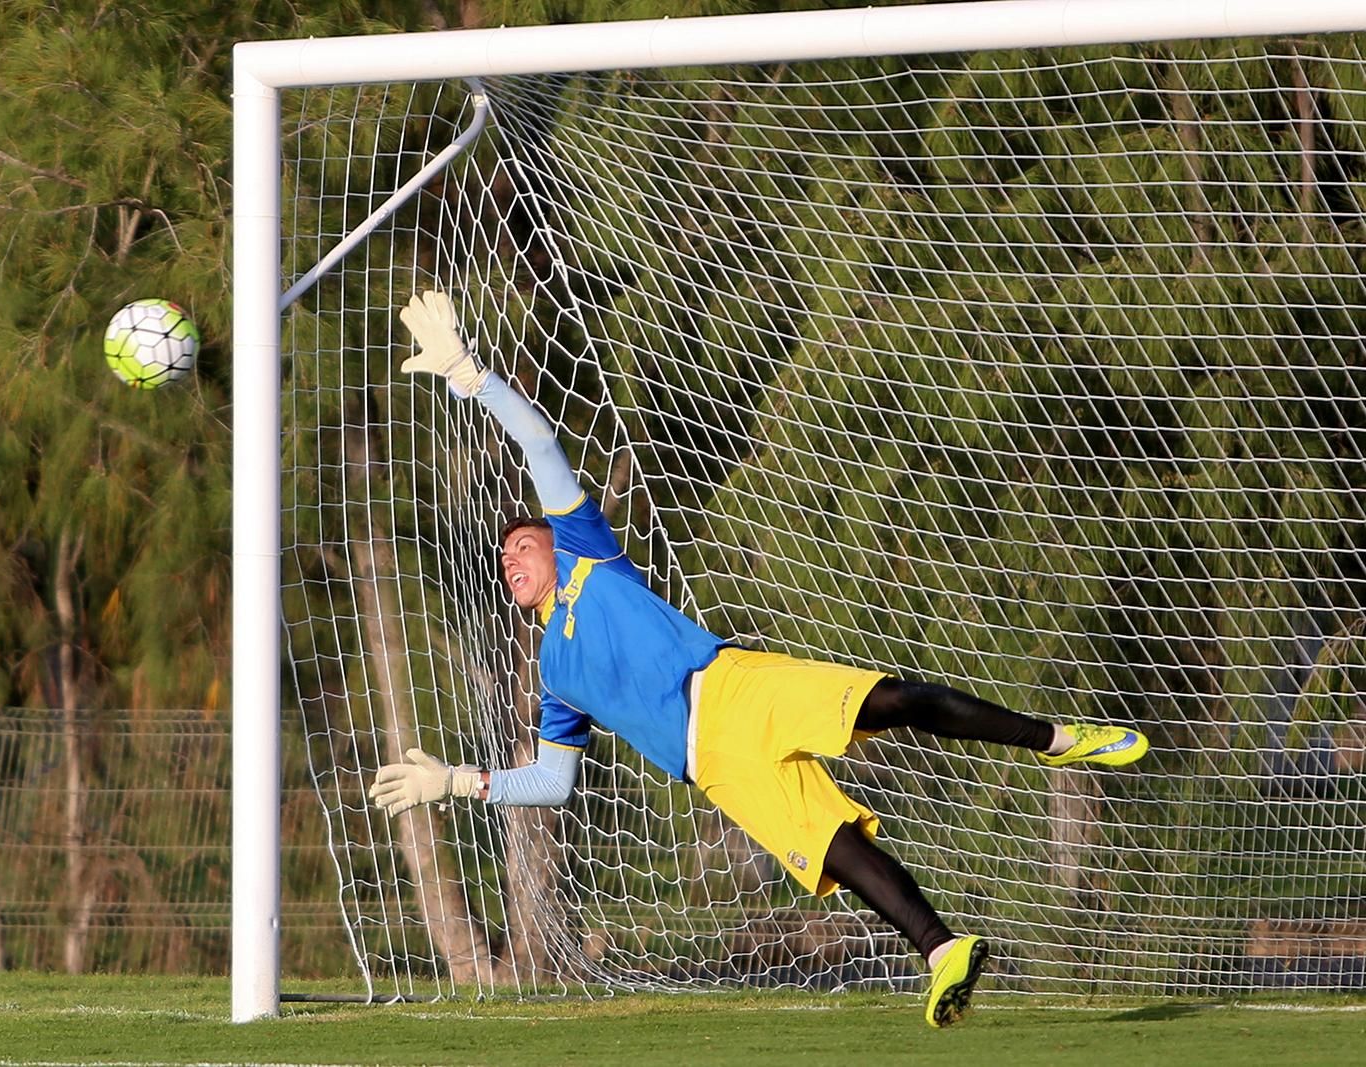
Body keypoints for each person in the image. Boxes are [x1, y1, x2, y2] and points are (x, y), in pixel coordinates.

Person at [369, 290, 1148, 1028]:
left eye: (522, 542)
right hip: (717, 767)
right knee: (841, 852)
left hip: (737, 688)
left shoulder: (585, 551)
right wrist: (454, 781)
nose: (513, 557)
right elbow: (553, 780)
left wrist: (476, 381)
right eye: (504, 556)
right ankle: (945, 951)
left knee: (893, 702)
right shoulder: (553, 675)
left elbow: (539, 441)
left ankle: (1055, 739)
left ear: (552, 539)